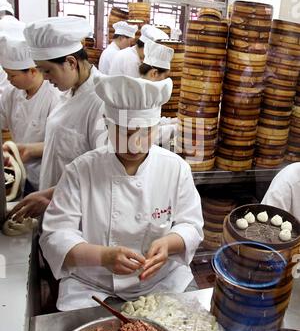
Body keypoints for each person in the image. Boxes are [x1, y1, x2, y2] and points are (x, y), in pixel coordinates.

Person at [39, 75, 204, 311]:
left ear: (157, 128)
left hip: (162, 283)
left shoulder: (175, 168)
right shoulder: (81, 170)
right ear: (107, 125)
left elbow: (191, 225)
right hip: (91, 288)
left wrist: (169, 243)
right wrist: (103, 257)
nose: (135, 143)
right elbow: (55, 236)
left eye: (146, 132)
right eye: (125, 133)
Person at [8, 16, 107, 220]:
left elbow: (104, 171)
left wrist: (49, 196)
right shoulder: (68, 92)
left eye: (47, 70)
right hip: (55, 203)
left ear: (71, 63)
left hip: (78, 213)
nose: (44, 77)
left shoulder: (101, 101)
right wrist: (28, 150)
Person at [0, 32, 60, 194]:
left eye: (12, 75)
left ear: (33, 71)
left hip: (45, 175)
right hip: (19, 171)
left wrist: (31, 150)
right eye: (6, 74)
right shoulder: (11, 94)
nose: (9, 79)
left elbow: (63, 144)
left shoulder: (55, 96)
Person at [139, 40, 177, 148]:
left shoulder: (149, 91)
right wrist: (175, 128)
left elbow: (152, 120)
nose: (165, 81)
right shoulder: (138, 95)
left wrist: (171, 121)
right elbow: (144, 135)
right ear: (154, 73)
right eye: (164, 77)